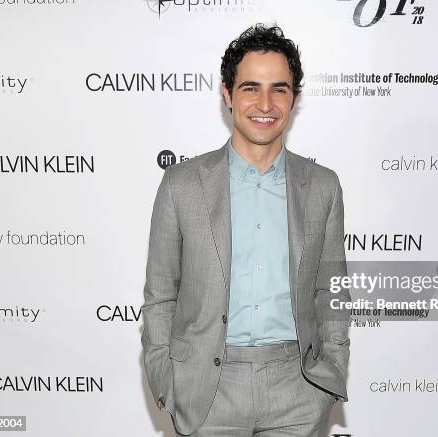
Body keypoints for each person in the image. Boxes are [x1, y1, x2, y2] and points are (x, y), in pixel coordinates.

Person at [141, 23, 351, 436]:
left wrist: (331, 371)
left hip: (298, 388)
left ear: (294, 98)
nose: (265, 103)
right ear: (227, 94)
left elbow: (332, 291)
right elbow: (161, 293)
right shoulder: (182, 184)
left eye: (280, 89)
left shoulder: (323, 186)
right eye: (251, 87)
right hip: (206, 389)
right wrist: (167, 378)